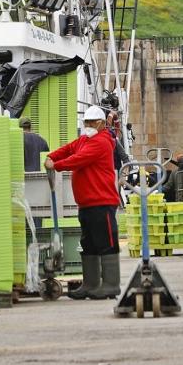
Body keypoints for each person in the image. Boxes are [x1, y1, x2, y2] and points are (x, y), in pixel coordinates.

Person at [46, 106, 121, 300]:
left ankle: (111, 285)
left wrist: (56, 165)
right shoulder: (84, 140)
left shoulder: (101, 142)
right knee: (88, 243)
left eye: (91, 123)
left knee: (105, 243)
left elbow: (78, 159)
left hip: (101, 201)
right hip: (87, 203)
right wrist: (52, 156)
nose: (87, 126)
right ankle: (91, 284)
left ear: (101, 124)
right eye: (85, 122)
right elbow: (69, 148)